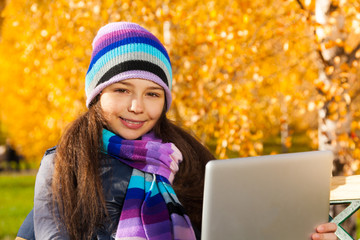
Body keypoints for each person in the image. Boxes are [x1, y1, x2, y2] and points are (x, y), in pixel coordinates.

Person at [16, 22, 337, 240]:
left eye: (152, 94)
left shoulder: (189, 158)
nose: (137, 106)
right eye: (122, 90)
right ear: (97, 95)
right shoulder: (65, 164)